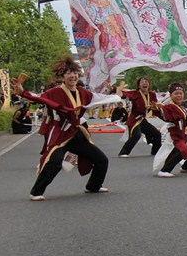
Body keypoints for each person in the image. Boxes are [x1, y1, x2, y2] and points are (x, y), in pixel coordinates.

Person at [12, 57, 119, 200]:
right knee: (55, 162)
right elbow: (39, 98)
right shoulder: (55, 92)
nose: (72, 76)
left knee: (101, 159)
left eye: (75, 72)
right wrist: (23, 92)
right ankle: (36, 192)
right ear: (63, 76)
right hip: (61, 133)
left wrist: (118, 96)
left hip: (77, 133)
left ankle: (93, 186)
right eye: (68, 73)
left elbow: (100, 98)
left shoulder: (83, 92)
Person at [155, 83, 187, 178]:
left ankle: (186, 167)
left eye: (180, 93)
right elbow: (166, 117)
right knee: (183, 150)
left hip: (182, 136)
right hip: (174, 136)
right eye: (176, 93)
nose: (179, 95)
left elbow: (185, 120)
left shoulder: (180, 106)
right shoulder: (169, 106)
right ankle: (164, 170)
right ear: (171, 95)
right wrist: (159, 108)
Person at [118, 77, 162, 157]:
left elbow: (155, 106)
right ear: (139, 85)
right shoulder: (135, 93)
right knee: (136, 135)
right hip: (134, 119)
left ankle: (155, 152)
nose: (145, 83)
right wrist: (118, 89)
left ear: (149, 84)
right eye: (142, 82)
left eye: (146, 81)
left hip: (142, 119)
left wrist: (154, 106)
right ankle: (123, 152)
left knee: (157, 134)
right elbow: (122, 95)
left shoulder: (152, 94)